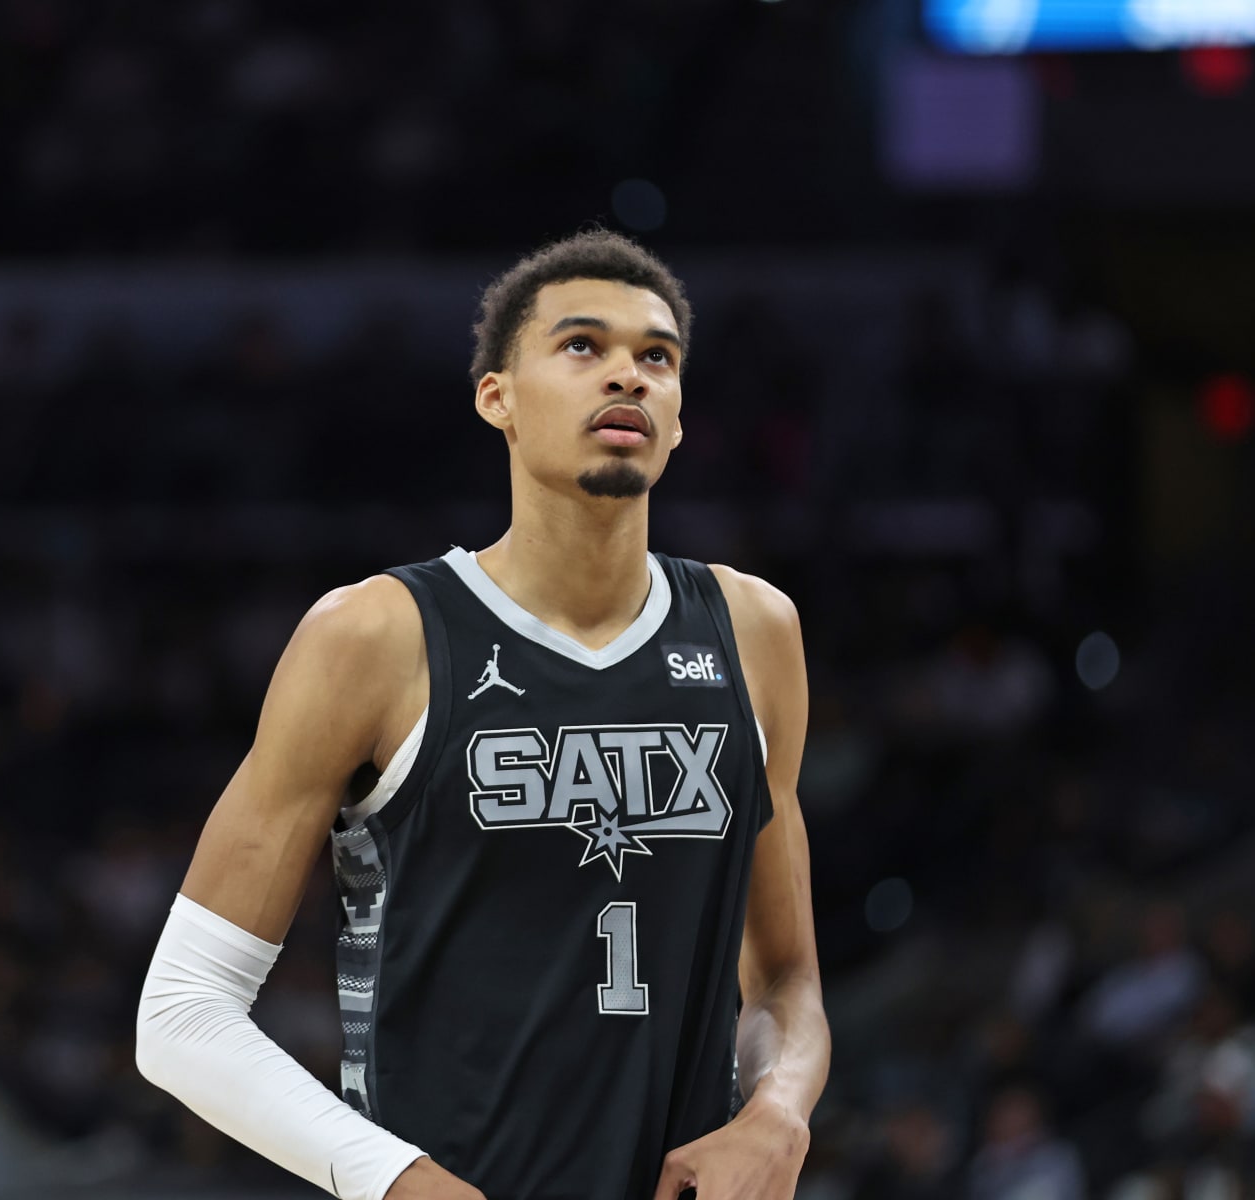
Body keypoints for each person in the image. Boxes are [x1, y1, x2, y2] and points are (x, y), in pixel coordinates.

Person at [135, 229, 829, 1200]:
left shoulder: (754, 631)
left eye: (656, 357)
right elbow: (181, 1011)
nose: (627, 375)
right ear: (495, 396)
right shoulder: (376, 637)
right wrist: (396, 1181)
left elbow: (787, 980)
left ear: (677, 418)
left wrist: (779, 1111)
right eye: (583, 346)